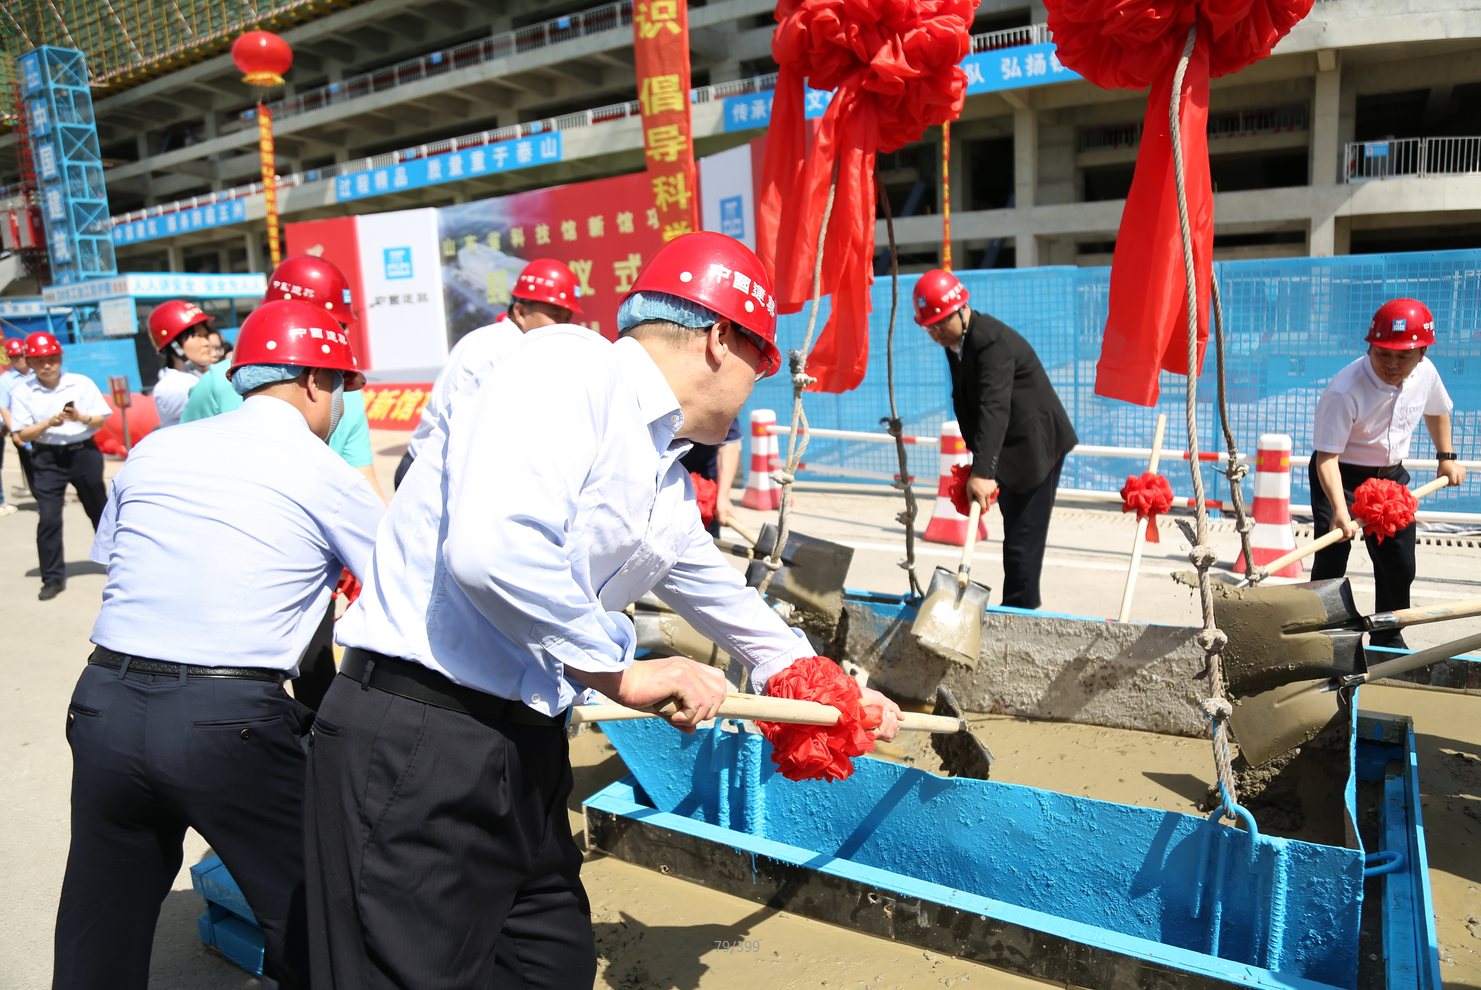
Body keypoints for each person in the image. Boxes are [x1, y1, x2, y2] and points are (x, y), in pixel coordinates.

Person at [307, 232, 902, 988]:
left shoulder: (661, 473)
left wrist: (828, 691)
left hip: (522, 744)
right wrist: (622, 671)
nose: (757, 389)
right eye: (763, 365)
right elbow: (494, 549)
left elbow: (722, 596)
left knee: (548, 962)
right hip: (419, 735)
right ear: (721, 339)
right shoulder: (570, 366)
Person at [52, 299, 385, 990]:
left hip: (103, 704)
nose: (340, 406)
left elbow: (119, 558)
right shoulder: (324, 470)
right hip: (225, 722)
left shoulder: (156, 447)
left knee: (99, 924)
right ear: (316, 382)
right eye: (340, 387)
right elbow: (400, 589)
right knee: (318, 918)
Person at [182, 257, 388, 711]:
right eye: (331, 325)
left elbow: (361, 476)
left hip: (273, 552)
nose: (334, 338)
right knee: (304, 666)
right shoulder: (220, 384)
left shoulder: (336, 389)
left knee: (296, 664)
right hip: (278, 551)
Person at [915, 269, 1078, 610]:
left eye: (941, 323)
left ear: (962, 309)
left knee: (1022, 543)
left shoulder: (991, 341)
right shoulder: (956, 343)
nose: (936, 333)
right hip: (1006, 447)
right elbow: (965, 401)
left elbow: (994, 405)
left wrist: (984, 471)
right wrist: (979, 464)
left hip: (1035, 446)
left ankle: (1020, 616)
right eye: (930, 327)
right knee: (1014, 537)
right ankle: (1016, 610)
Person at [1310, 298, 1466, 649]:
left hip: (1391, 479)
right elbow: (1326, 458)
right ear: (1370, 347)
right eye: (1383, 354)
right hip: (1341, 476)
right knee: (1332, 556)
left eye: (1403, 356)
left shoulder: (1426, 374)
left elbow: (1437, 410)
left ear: (1422, 353)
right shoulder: (1344, 389)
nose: (1392, 364)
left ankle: (1388, 636)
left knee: (1399, 563)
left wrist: (1446, 458)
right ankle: (1327, 638)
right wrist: (1339, 509)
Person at [395, 257, 587, 488]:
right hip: (431, 477)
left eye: (567, 319)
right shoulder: (509, 350)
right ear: (520, 312)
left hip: (428, 465)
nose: (563, 327)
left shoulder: (488, 337)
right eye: (555, 316)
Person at [8, 332, 111, 601]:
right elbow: (22, 434)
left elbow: (100, 420)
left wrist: (79, 417)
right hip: (48, 458)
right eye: (40, 361)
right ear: (29, 362)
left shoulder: (81, 383)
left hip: (83, 453)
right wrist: (47, 424)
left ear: (60, 358)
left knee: (99, 511)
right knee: (49, 518)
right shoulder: (23, 391)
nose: (47, 365)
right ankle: (52, 578)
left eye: (52, 358)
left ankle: (117, 564)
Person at [146, 300, 216, 429]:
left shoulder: (197, 376)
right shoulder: (171, 387)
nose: (206, 343)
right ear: (174, 345)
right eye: (197, 336)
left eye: (206, 336)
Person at [680, 416, 743, 535]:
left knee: (706, 535)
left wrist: (723, 497)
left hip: (705, 480)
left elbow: (728, 442)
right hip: (659, 474)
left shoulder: (720, 404)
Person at [0, 337, 35, 516]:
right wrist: (14, 431)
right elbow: (4, 407)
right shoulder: (5, 380)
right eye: (15, 356)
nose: (19, 359)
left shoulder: (39, 372)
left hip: (46, 428)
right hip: (23, 430)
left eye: (21, 354)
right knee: (31, 465)